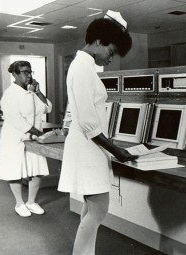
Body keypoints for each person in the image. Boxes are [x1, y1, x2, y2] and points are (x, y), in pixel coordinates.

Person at [57, 10, 137, 255]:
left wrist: (112, 149)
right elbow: (89, 122)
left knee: (91, 209)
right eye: (111, 52)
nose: (110, 59)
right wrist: (117, 150)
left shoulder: (85, 66)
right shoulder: (81, 68)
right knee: (99, 210)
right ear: (100, 42)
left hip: (90, 147)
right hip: (88, 147)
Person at [0, 61, 52, 217]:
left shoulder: (32, 93)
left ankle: (31, 202)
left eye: (30, 72)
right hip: (16, 137)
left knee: (37, 169)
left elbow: (48, 108)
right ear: (14, 74)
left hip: (33, 137)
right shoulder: (9, 95)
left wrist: (39, 91)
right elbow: (16, 119)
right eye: (25, 72)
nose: (29, 75)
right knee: (16, 171)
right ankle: (19, 203)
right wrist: (38, 133)